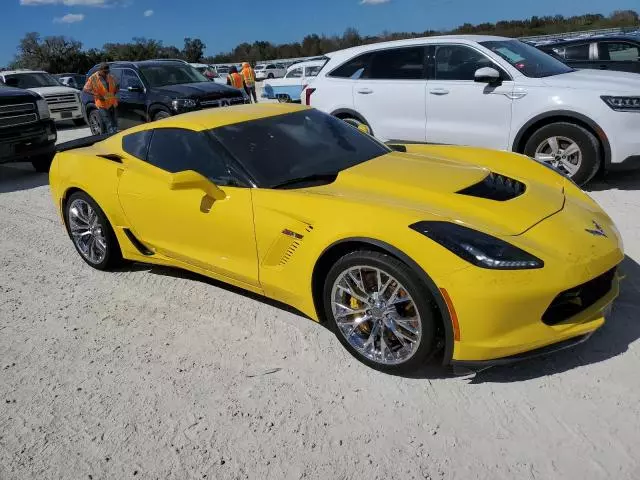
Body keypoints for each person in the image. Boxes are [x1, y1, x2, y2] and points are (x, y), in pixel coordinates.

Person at [83, 63, 119, 135]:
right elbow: (85, 89)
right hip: (102, 103)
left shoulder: (110, 76)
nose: (106, 73)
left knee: (115, 122)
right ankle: (111, 138)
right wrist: (96, 94)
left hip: (112, 102)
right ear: (100, 70)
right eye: (105, 72)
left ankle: (114, 135)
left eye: (107, 71)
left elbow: (116, 85)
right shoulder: (93, 78)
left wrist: (116, 89)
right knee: (108, 123)